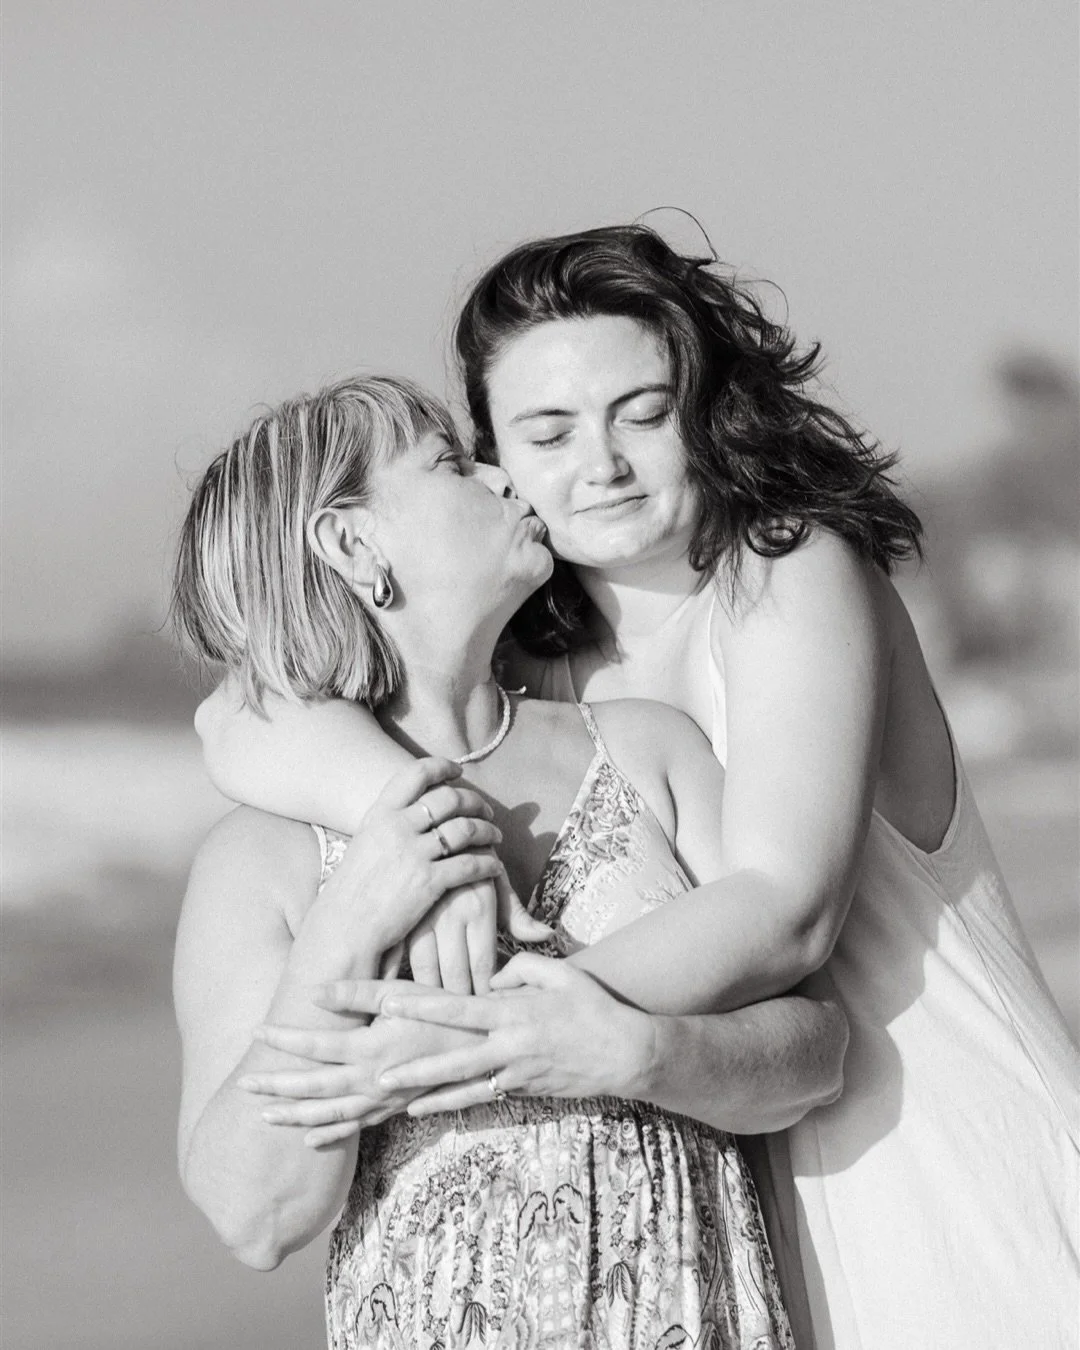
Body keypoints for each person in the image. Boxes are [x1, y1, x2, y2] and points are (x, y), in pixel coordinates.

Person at [196, 226, 1080, 1349]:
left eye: (643, 413)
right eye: (548, 431)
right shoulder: (550, 676)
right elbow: (239, 717)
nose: (599, 465)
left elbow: (783, 907)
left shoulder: (784, 570)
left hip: (952, 1177)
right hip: (742, 1228)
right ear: (499, 456)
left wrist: (483, 1030)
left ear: (704, 410)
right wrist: (412, 824)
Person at [173, 374, 850, 1348]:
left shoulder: (644, 748)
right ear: (353, 545)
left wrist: (644, 1053)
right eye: (449, 463)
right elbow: (256, 1217)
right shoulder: (261, 858)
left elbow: (814, 1052)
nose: (502, 478)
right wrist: (356, 914)